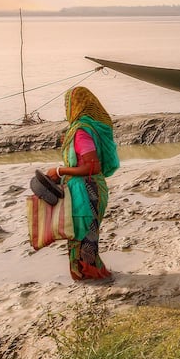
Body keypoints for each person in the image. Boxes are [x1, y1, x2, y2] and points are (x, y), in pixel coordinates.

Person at [45, 87, 120, 282]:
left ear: (75, 105)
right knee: (87, 234)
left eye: (67, 104)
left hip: (86, 190)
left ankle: (88, 275)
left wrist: (59, 171)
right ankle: (90, 273)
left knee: (82, 234)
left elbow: (92, 166)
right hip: (92, 187)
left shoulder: (81, 132)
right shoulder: (90, 127)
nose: (66, 108)